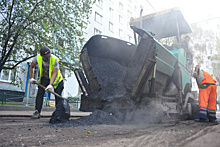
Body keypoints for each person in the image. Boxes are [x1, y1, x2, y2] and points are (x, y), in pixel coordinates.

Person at [29, 46, 68, 123]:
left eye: (48, 56)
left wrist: (50, 85)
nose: (48, 58)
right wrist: (31, 78)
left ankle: (59, 114)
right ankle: (37, 112)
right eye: (46, 57)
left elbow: (54, 73)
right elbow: (32, 66)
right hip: (45, 78)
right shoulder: (37, 58)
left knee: (57, 95)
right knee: (40, 93)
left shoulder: (54, 59)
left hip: (57, 80)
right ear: (42, 56)